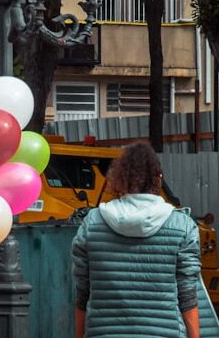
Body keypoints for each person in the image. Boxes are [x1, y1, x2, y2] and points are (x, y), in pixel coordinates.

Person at [72, 142, 219, 338]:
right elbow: (188, 297)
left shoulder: (92, 224)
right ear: (158, 179)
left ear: (120, 179)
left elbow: (82, 295)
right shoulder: (182, 226)